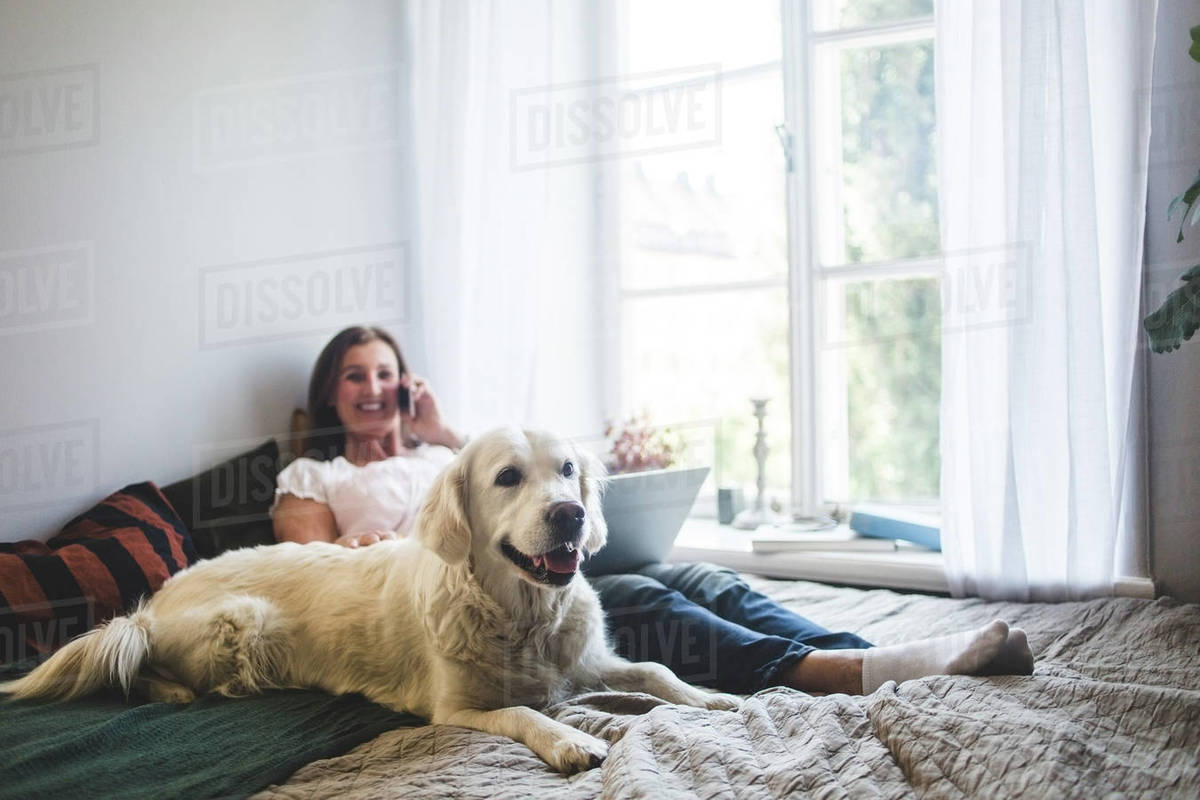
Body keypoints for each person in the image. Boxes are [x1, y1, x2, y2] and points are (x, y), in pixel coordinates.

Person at [273, 325, 1033, 696]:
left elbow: (506, 480)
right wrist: (362, 542)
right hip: (450, 592)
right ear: (327, 392)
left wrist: (437, 430)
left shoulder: (451, 456)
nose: (373, 388)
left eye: (387, 374)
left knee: (700, 576)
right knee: (650, 598)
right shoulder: (316, 471)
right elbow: (304, 564)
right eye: (354, 376)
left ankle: (863, 646)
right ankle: (835, 670)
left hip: (554, 559)